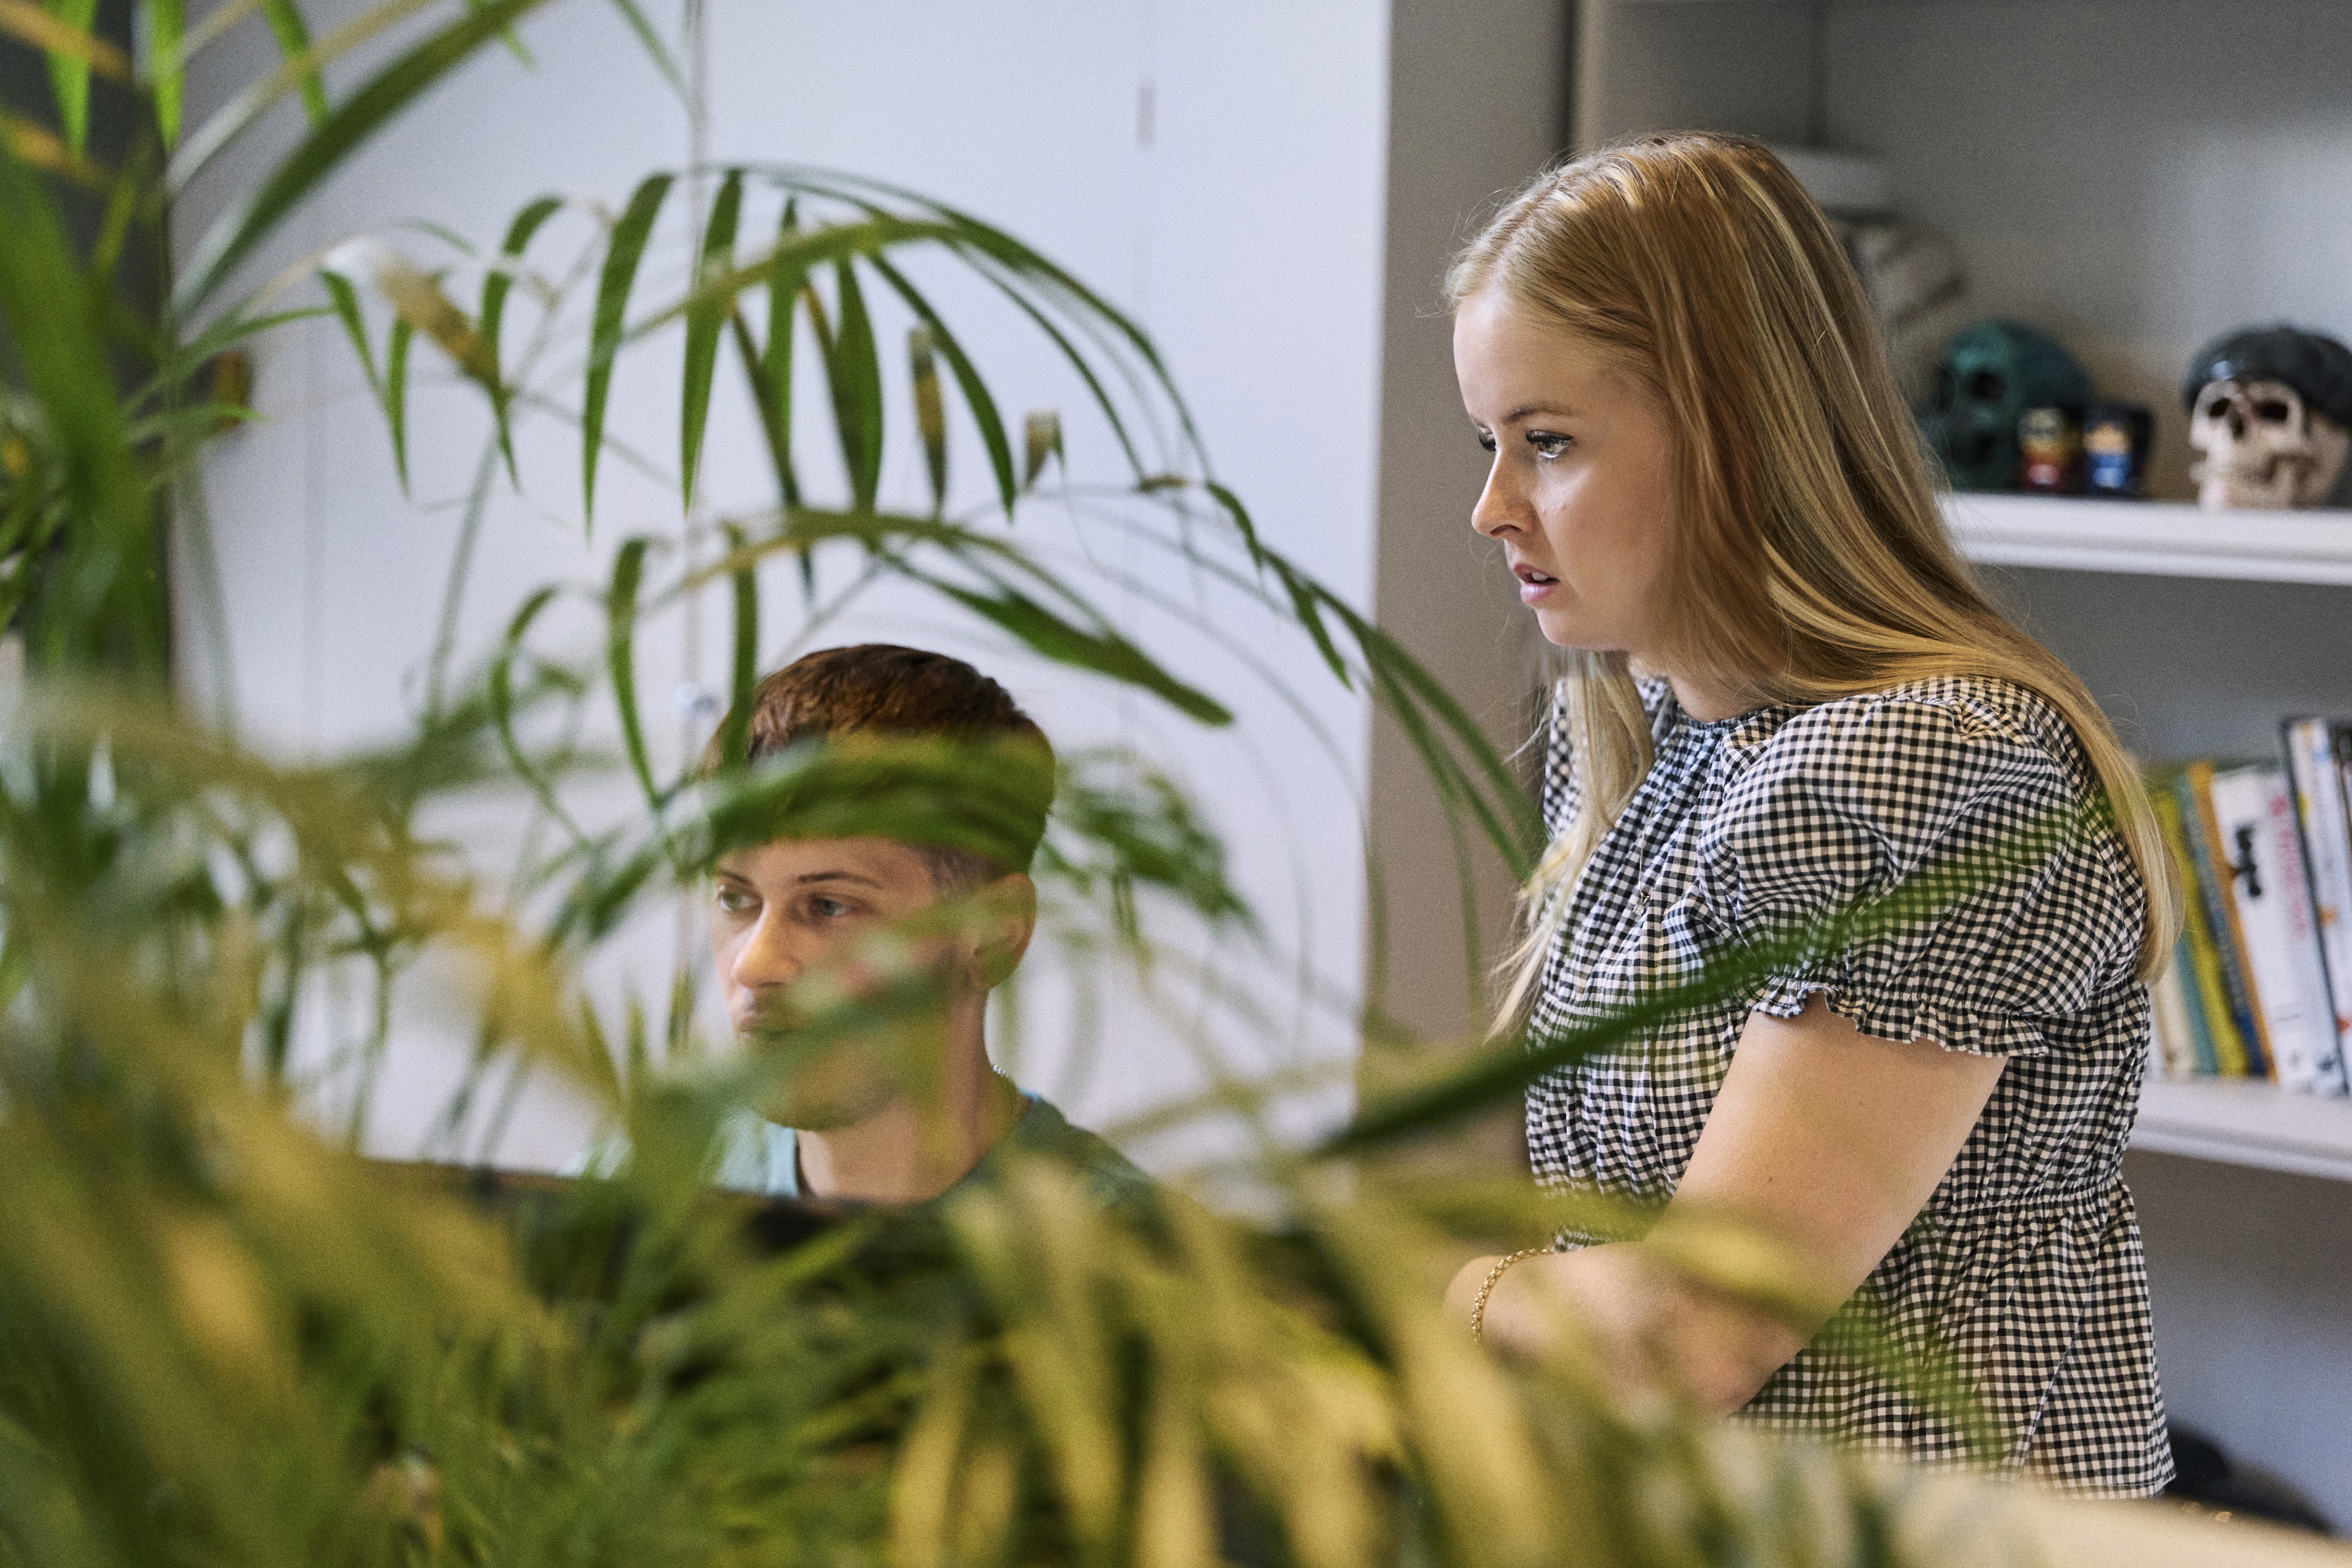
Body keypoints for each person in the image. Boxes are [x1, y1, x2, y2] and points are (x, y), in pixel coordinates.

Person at [1437, 134, 2175, 1495]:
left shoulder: (1920, 766)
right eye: (1490, 443)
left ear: (1732, 430)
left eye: (1547, 443)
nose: (1492, 507)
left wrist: (1452, 1295)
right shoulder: (1645, 743)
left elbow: (1688, 1329)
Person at [577, 644, 1155, 1218]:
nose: (754, 966)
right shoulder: (628, 1200)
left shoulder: (1138, 1272)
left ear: (995, 935)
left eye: (829, 906)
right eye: (735, 899)